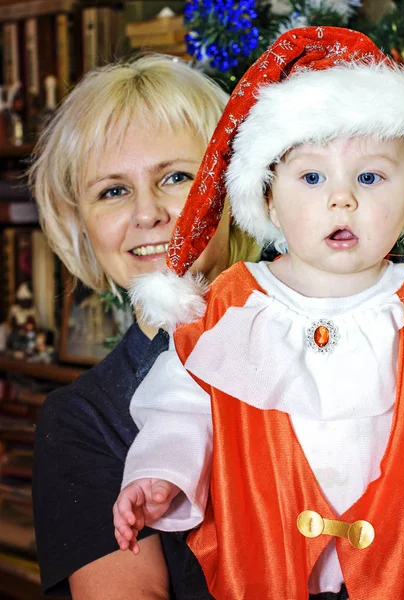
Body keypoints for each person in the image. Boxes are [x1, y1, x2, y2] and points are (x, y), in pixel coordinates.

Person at [113, 27, 404, 599]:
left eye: (370, 176)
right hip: (261, 563)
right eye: (311, 177)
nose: (342, 199)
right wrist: (159, 473)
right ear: (267, 196)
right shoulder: (232, 304)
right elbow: (182, 407)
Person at [29, 54, 260, 599]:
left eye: (177, 177)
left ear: (237, 189)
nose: (147, 213)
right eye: (113, 190)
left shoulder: (339, 333)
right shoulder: (82, 423)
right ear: (80, 224)